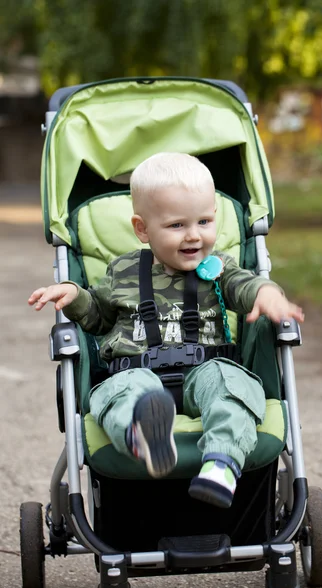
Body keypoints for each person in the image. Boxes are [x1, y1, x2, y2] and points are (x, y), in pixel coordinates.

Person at [28, 152, 304, 509]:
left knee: (233, 386)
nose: (193, 236)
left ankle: (221, 464)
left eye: (204, 221)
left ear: (215, 218)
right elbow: (98, 318)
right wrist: (75, 296)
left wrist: (268, 294)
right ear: (142, 229)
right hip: (136, 372)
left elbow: (246, 286)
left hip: (204, 371)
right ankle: (141, 435)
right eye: (176, 226)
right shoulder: (123, 271)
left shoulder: (219, 268)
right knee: (118, 393)